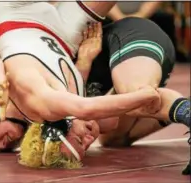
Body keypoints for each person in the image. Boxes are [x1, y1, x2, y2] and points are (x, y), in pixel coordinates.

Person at [0, 1, 160, 153]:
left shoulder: (11, 97)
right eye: (1, 149)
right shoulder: (46, 124)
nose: (2, 144)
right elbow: (89, 109)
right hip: (63, 38)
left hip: (18, 14)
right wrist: (85, 61)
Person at [19, 17, 190, 170]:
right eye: (85, 148)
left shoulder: (57, 95)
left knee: (136, 98)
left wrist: (84, 61)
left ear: (62, 124)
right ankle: (182, 107)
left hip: (130, 37)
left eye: (80, 140)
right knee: (112, 139)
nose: (89, 141)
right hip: (133, 65)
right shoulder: (82, 119)